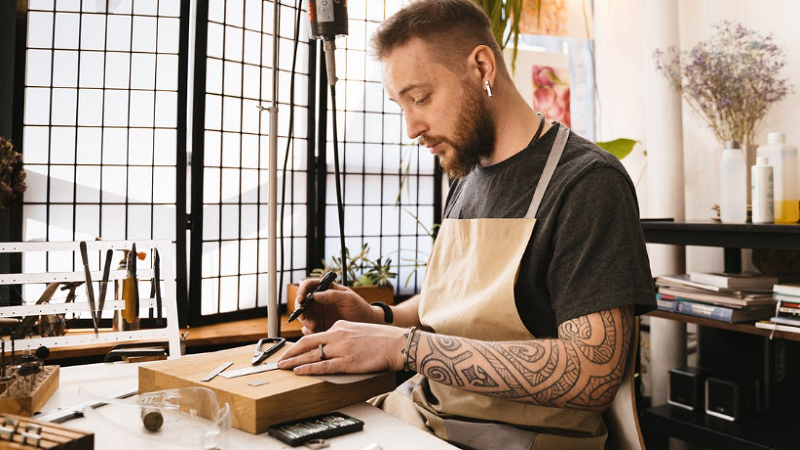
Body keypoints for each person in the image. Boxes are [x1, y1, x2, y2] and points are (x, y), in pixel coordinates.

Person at [278, 1, 656, 448]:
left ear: (481, 67)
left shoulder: (586, 183)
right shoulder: (469, 175)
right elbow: (461, 301)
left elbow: (592, 371)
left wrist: (403, 347)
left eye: (421, 98)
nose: (411, 128)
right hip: (425, 418)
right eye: (401, 105)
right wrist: (380, 317)